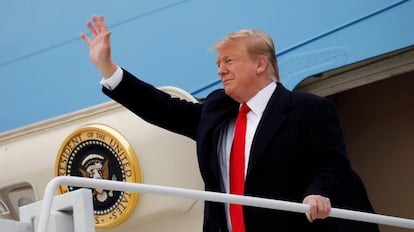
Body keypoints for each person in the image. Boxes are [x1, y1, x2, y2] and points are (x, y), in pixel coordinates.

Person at [81, 15, 379, 231]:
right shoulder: (217, 110)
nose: (220, 70)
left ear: (260, 64)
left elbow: (332, 167)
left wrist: (318, 193)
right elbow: (162, 108)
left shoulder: (308, 109)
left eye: (229, 61)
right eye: (218, 64)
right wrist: (108, 68)